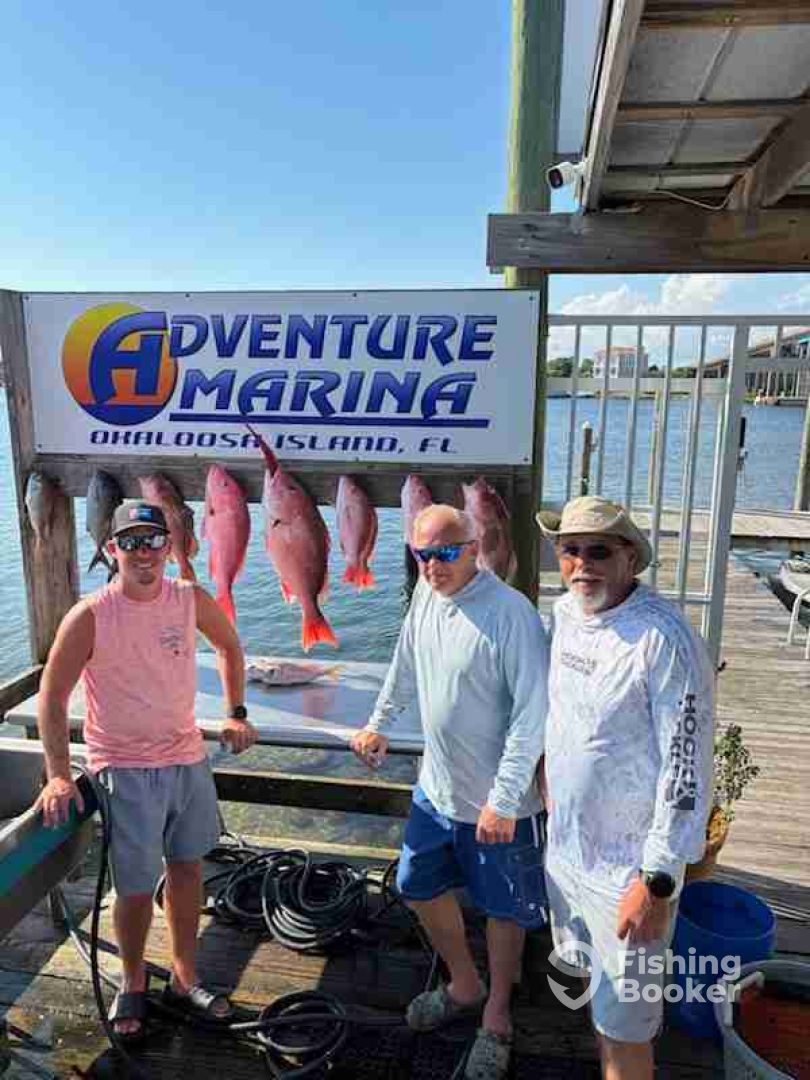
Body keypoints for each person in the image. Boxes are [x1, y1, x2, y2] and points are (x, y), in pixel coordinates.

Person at [36, 500, 257, 1040]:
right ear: (111, 549)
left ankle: (184, 977)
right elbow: (52, 694)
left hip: (186, 758)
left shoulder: (188, 597)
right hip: (124, 766)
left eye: (153, 541)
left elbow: (229, 644)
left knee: (188, 869)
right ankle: (132, 980)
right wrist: (59, 772)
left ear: (169, 546)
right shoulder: (90, 614)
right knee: (134, 886)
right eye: (131, 542)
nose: (143, 553)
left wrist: (235, 712)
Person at [351, 504, 549, 1080]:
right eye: (421, 555)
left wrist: (505, 799)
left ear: (474, 550)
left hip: (499, 805)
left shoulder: (512, 613)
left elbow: (532, 715)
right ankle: (465, 982)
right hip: (435, 791)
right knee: (415, 884)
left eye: (443, 553)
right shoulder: (425, 594)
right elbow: (405, 662)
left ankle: (497, 1014)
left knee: (504, 911)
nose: (431, 566)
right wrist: (379, 722)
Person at [537, 496, 715, 1080]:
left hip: (629, 877)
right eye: (570, 550)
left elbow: (688, 768)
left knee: (627, 1034)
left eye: (599, 551)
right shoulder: (563, 613)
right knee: (596, 998)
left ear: (630, 558)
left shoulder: (663, 637)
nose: (582, 564)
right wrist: (543, 773)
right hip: (567, 856)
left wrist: (657, 881)